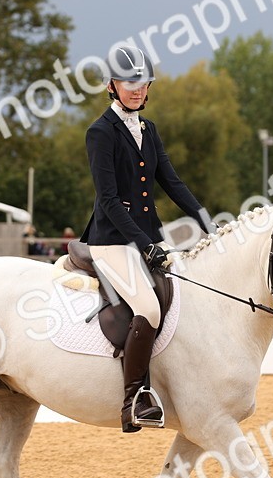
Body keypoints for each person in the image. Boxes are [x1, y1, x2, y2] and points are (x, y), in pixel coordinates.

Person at [82, 45, 215, 433]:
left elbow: (171, 182)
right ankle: (133, 400)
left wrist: (208, 221)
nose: (137, 89)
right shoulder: (100, 132)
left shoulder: (149, 130)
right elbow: (108, 199)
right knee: (151, 309)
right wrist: (144, 244)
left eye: (143, 82)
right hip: (112, 241)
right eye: (129, 82)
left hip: (149, 237)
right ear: (112, 85)